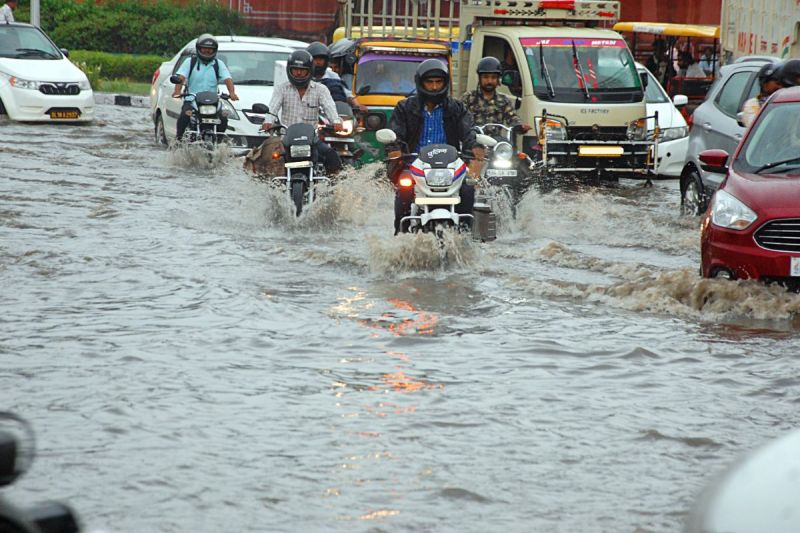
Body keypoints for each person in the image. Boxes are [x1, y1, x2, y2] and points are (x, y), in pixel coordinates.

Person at [386, 59, 480, 234]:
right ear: (421, 83)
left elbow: (469, 133)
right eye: (430, 82)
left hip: (450, 166)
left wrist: (474, 151)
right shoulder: (404, 107)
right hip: (414, 165)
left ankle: (466, 236)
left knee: (467, 189)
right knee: (404, 190)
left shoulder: (456, 108)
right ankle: (401, 235)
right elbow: (395, 135)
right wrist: (394, 149)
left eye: (439, 82)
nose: (435, 87)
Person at [261, 49, 343, 174]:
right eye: (295, 69)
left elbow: (329, 107)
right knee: (267, 157)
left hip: (311, 139)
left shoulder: (321, 89)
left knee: (332, 156)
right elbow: (273, 108)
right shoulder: (281, 89)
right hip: (286, 139)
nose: (298, 73)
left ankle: (331, 186)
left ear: (310, 71)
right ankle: (272, 186)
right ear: (289, 70)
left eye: (303, 70)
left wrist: (336, 121)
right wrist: (268, 122)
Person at [171, 34, 239, 141]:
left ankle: (219, 142)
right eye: (204, 49)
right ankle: (178, 140)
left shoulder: (218, 64)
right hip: (192, 100)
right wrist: (177, 91)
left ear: (215, 51)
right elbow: (181, 77)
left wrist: (232, 93)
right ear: (199, 49)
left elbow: (228, 79)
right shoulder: (190, 62)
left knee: (223, 118)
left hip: (212, 101)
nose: (207, 51)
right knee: (184, 116)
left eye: (210, 50)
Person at [461, 56, 530, 137]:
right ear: (480, 78)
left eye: (493, 77)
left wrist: (520, 127)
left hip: (496, 145)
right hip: (473, 143)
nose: (489, 81)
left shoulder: (503, 100)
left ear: (498, 79)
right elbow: (459, 118)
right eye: (486, 77)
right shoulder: (469, 98)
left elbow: (512, 118)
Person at [306, 41, 366, 112]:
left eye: (321, 59)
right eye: (315, 59)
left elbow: (347, 94)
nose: (318, 62)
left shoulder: (332, 76)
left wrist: (357, 105)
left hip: (334, 113)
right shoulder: (304, 77)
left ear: (326, 61)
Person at [740, 62, 782, 127]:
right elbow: (756, 126)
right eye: (777, 83)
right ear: (764, 83)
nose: (780, 87)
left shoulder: (784, 103)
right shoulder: (751, 104)